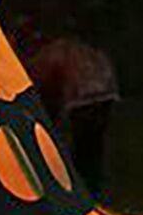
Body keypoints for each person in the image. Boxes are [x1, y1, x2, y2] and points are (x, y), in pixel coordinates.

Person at [18, 24, 118, 193]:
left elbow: (39, 72)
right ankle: (91, 182)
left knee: (84, 145)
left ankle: (84, 183)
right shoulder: (86, 49)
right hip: (102, 95)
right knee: (92, 144)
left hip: (84, 99)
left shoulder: (60, 50)